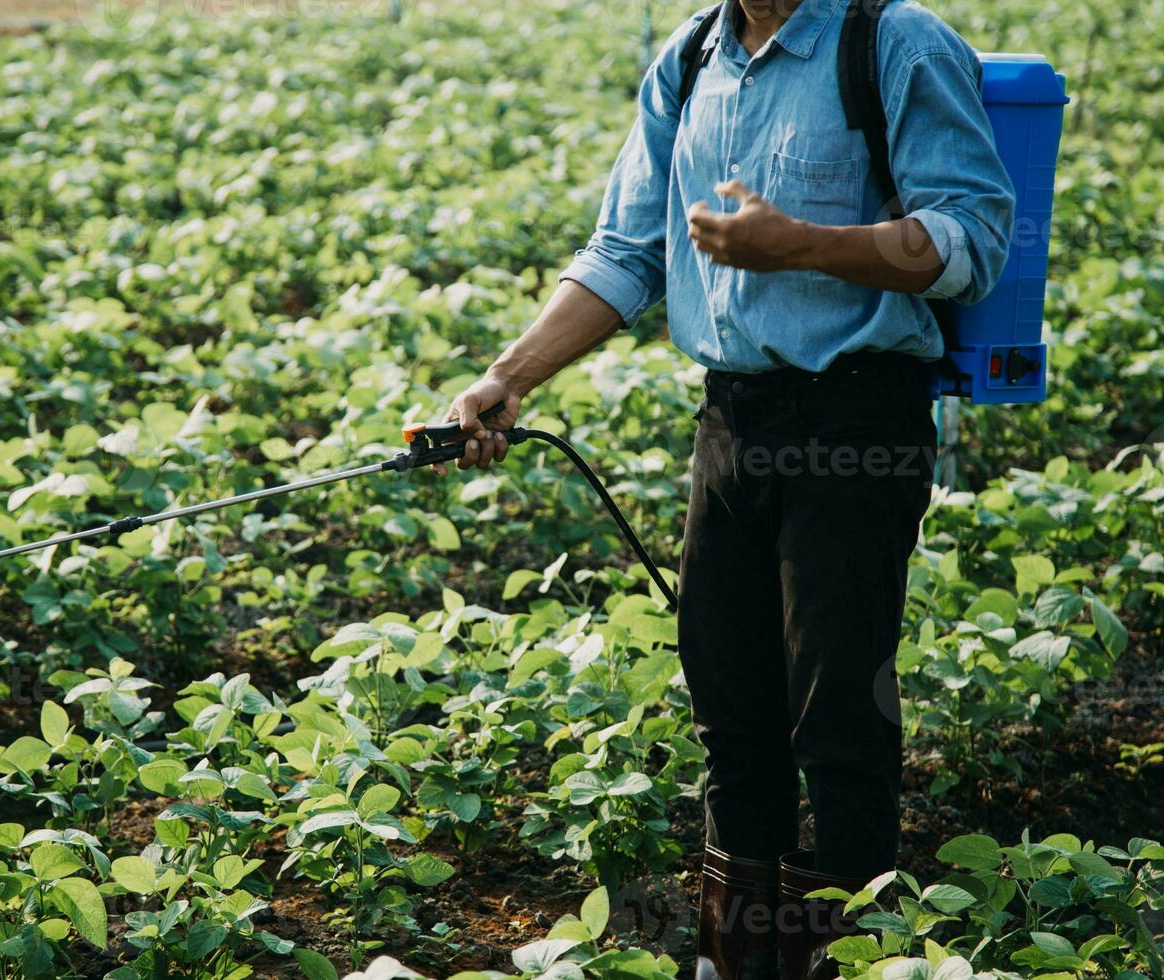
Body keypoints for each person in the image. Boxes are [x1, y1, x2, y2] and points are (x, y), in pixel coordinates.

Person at [440, 0, 1013, 977]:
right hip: (733, 423)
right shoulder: (691, 57)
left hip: (857, 418)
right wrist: (507, 379)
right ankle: (735, 958)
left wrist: (800, 244)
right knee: (731, 704)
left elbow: (971, 241)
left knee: (837, 715)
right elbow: (627, 250)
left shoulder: (892, 42)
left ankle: (849, 956)